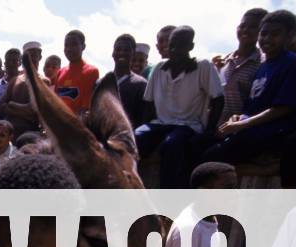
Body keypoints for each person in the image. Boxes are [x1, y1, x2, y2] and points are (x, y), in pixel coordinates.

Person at [201, 10, 296, 178]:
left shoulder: (293, 64)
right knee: (201, 144)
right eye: (264, 34)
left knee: (211, 159)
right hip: (252, 128)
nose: (267, 39)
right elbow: (254, 105)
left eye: (275, 34)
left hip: (272, 132)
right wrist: (238, 118)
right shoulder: (265, 66)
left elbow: (284, 108)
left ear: (290, 35)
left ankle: (268, 170)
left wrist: (243, 124)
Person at [135, 26, 225, 188]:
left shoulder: (202, 66)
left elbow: (218, 99)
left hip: (188, 125)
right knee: (135, 137)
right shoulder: (159, 68)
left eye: (180, 46)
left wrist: (209, 130)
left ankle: (170, 194)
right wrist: (146, 126)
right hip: (160, 123)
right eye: (172, 46)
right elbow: (148, 102)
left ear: (190, 46)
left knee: (172, 145)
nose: (174, 50)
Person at [215, 8, 267, 124]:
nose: (245, 30)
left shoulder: (263, 63)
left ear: (262, 31)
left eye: (253, 27)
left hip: (241, 128)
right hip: (215, 126)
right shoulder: (225, 61)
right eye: (242, 26)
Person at [0, 43, 44, 138]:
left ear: (40, 57)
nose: (31, 59)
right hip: (9, 132)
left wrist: (12, 104)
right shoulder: (15, 80)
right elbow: (1, 106)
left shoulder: (44, 82)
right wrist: (25, 113)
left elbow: (36, 111)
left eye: (34, 55)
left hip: (30, 133)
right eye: (28, 56)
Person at [55, 30, 100, 116]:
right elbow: (55, 102)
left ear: (83, 46)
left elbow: (86, 108)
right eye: (66, 45)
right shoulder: (60, 72)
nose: (69, 49)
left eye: (74, 45)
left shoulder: (91, 72)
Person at [112, 34, 149, 128]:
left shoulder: (141, 85)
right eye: (118, 49)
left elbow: (142, 121)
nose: (122, 53)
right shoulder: (101, 83)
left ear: (133, 54)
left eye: (126, 50)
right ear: (113, 53)